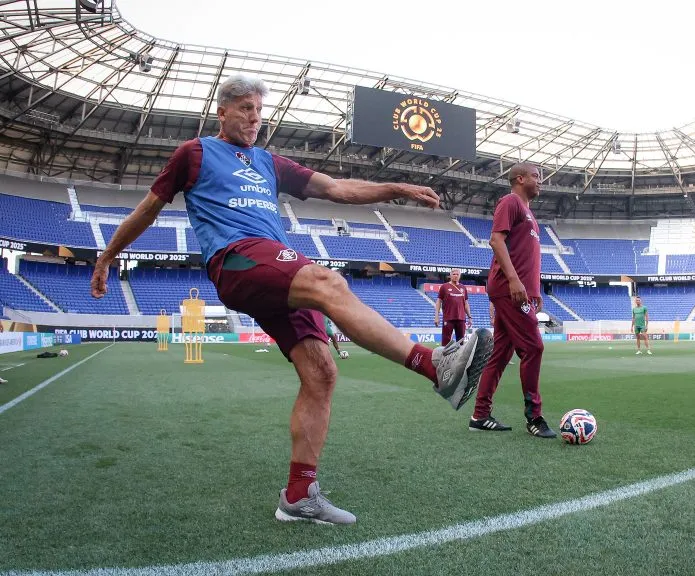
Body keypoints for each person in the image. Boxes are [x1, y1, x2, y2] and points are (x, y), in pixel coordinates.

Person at [89, 74, 493, 525]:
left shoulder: (269, 163)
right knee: (327, 282)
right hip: (236, 257)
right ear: (222, 112)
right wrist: (107, 256)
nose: (254, 118)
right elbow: (149, 208)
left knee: (322, 373)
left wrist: (397, 189)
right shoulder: (195, 153)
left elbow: (337, 189)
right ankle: (433, 365)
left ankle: (299, 496)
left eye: (259, 110)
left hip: (273, 267)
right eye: (245, 108)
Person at [470, 163, 554, 437]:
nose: (540, 181)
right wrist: (515, 281)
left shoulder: (530, 215)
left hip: (517, 289)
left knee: (501, 354)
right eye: (536, 176)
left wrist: (534, 289)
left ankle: (480, 415)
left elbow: (527, 256)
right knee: (534, 348)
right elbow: (496, 240)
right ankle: (534, 418)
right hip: (509, 288)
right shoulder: (510, 202)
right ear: (520, 178)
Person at [434, 269, 472, 345]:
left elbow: (466, 303)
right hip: (448, 318)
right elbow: (438, 301)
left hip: (461, 318)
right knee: (446, 342)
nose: (455, 276)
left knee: (460, 342)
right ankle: (445, 353)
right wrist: (436, 316)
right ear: (450, 276)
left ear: (460, 276)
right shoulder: (444, 287)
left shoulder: (463, 288)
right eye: (454, 274)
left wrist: (470, 317)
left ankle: (459, 353)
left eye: (457, 274)